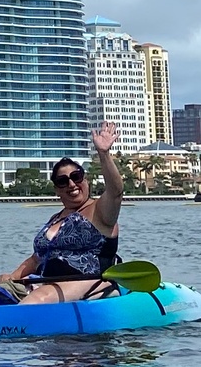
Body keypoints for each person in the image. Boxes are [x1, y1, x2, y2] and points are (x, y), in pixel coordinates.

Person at [6, 121, 124, 303]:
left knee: (39, 298)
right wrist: (11, 278)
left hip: (87, 281)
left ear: (86, 180)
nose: (71, 184)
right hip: (44, 281)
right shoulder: (55, 219)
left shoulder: (100, 211)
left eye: (76, 177)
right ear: (57, 190)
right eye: (63, 181)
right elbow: (37, 258)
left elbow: (116, 192)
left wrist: (104, 154)